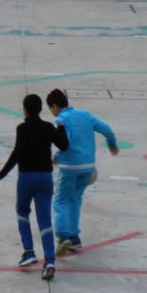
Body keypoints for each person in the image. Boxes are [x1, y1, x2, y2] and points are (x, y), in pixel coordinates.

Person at [0, 93, 69, 280]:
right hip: (45, 178)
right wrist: (61, 128)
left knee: (22, 212)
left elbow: (17, 154)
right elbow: (64, 145)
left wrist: (0, 175)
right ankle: (50, 260)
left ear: (25, 110)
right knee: (44, 220)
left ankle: (29, 251)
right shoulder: (48, 127)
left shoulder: (22, 129)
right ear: (41, 109)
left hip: (27, 178)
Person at [46, 88, 118, 256]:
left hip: (70, 166)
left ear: (55, 106)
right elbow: (106, 129)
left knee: (61, 201)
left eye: (51, 109)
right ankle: (74, 237)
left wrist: (56, 157)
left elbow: (66, 142)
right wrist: (112, 144)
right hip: (88, 166)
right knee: (75, 199)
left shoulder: (60, 120)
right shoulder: (85, 114)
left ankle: (63, 236)